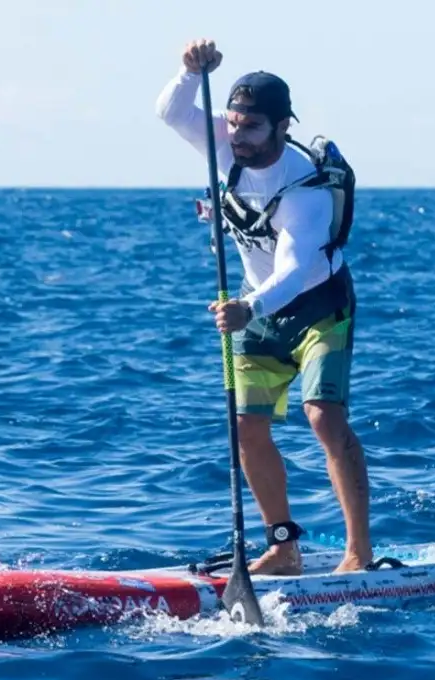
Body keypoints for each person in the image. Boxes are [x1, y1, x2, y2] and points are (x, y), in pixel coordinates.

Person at [155, 38, 373, 575]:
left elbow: (295, 271)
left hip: (318, 308)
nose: (238, 137)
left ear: (282, 127)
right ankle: (283, 548)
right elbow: (171, 111)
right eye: (232, 124)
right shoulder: (226, 149)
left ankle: (358, 552)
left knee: (323, 418)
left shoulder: (305, 188)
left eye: (252, 128)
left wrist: (248, 308)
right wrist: (188, 71)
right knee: (246, 428)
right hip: (258, 311)